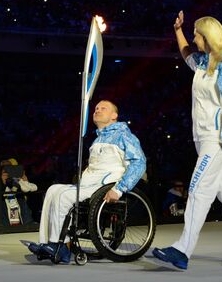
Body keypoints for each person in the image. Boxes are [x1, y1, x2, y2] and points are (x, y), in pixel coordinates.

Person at [152, 11, 222, 270]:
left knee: (198, 189)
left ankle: (182, 249)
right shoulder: (205, 63)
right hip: (202, 139)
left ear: (207, 36)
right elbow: (186, 53)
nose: (193, 38)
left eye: (195, 34)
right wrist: (177, 30)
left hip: (216, 139)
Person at [27, 100, 146, 263]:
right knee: (53, 190)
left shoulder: (124, 135)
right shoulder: (97, 139)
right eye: (96, 108)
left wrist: (119, 189)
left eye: (103, 108)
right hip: (89, 183)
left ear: (114, 116)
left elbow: (139, 162)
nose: (97, 110)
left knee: (64, 196)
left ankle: (60, 247)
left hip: (105, 186)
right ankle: (48, 243)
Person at [0, 159, 37, 226]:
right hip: (6, 223)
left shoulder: (17, 181)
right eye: (4, 168)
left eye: (9, 167)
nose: (7, 170)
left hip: (23, 221)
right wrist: (3, 184)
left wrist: (25, 181)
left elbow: (33, 189)